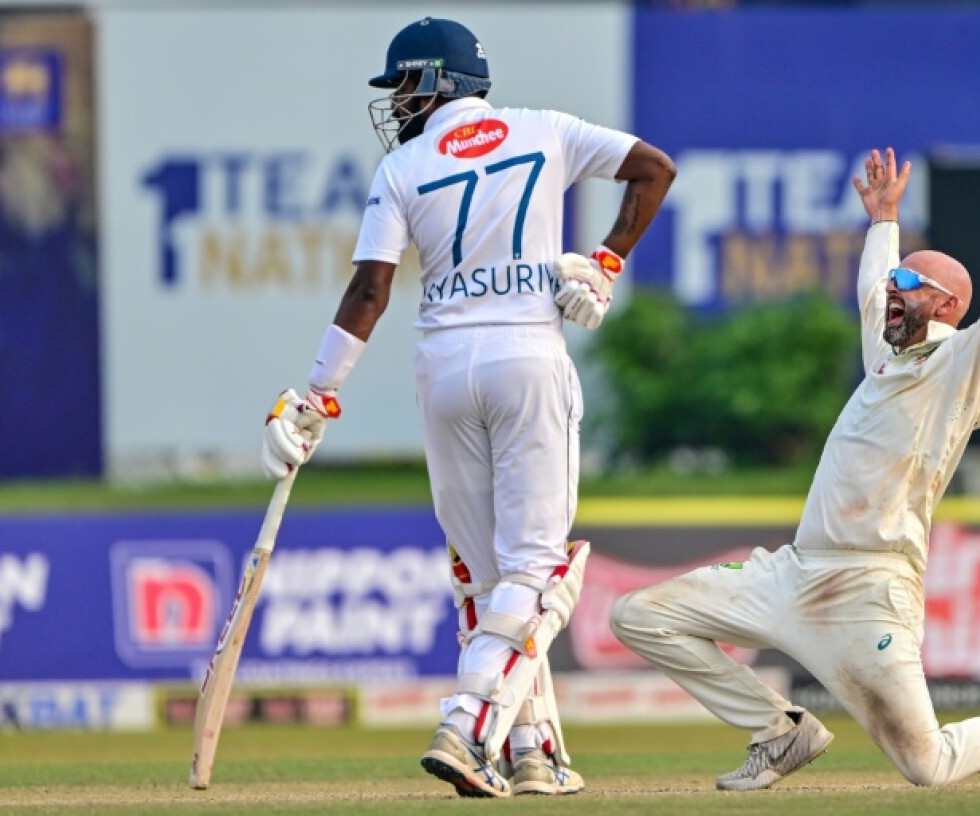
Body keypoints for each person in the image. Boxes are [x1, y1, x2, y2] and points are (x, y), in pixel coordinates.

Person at [611, 124, 980, 791]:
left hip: (871, 591)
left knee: (926, 765)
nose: (891, 289)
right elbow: (869, 289)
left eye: (907, 281)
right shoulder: (884, 357)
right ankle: (779, 729)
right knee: (639, 615)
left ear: (948, 305)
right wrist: (883, 219)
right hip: (792, 576)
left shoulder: (966, 361)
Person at [260, 17, 675, 798]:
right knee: (534, 571)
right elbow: (654, 169)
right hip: (527, 356)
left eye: (405, 86)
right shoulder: (546, 129)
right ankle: (466, 727)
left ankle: (536, 753)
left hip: (443, 367)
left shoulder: (404, 167)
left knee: (487, 581)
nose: (397, 104)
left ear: (441, 83)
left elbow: (369, 292)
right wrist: (609, 262)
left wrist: (318, 393)